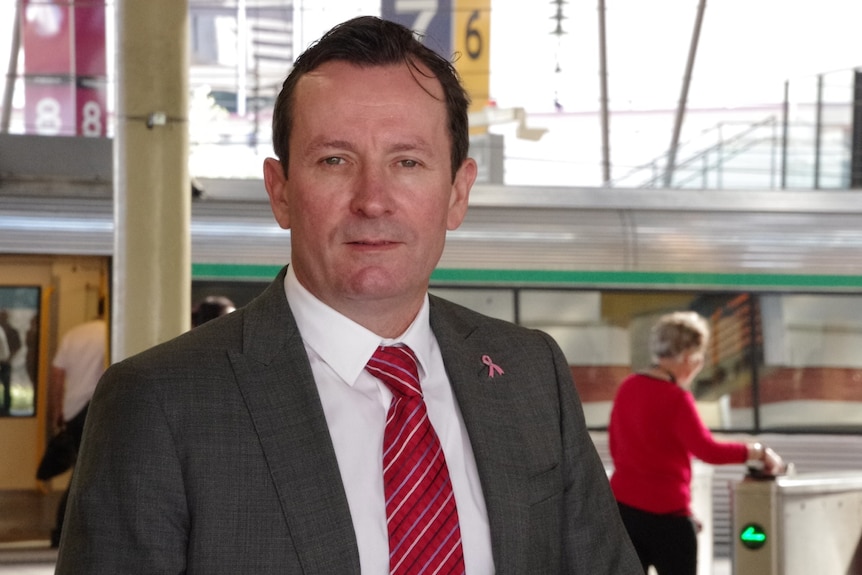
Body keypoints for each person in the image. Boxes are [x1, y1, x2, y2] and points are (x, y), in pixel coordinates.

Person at [56, 16, 640, 574]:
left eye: (407, 162)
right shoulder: (157, 403)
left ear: (458, 192)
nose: (373, 200)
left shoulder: (531, 373)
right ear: (281, 192)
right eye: (335, 160)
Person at [608, 311, 785, 575]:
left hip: (623, 513)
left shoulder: (628, 387)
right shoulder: (676, 398)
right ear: (688, 357)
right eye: (700, 357)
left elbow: (615, 447)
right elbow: (707, 450)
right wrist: (758, 453)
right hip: (667, 517)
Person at [47, 306, 107, 548]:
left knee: (81, 469)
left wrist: (57, 412)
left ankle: (63, 529)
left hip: (72, 410)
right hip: (98, 408)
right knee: (87, 471)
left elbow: (57, 377)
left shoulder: (74, 334)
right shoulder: (109, 332)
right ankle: (64, 529)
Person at [0, 309, 22, 415]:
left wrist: (9, 357)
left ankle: (6, 408)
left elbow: (17, 345)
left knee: (6, 386)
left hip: (6, 363)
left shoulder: (12, 331)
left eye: (3, 316)